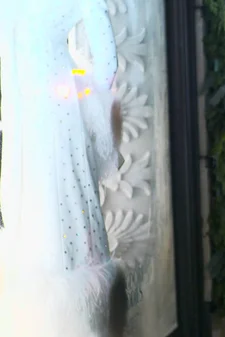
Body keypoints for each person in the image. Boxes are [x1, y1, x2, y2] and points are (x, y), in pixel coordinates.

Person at [0, 1, 126, 336]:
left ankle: (71, 320)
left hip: (40, 115)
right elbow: (107, 64)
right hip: (33, 115)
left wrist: (85, 101)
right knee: (45, 207)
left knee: (53, 208)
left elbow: (107, 63)